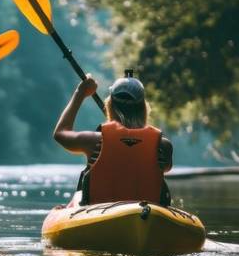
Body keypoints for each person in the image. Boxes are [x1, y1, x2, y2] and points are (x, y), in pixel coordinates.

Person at [53, 70, 172, 206]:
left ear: (109, 106)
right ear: (144, 108)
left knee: (77, 197)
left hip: (99, 212)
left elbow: (60, 133)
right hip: (147, 213)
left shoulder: (94, 141)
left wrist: (80, 93)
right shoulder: (163, 146)